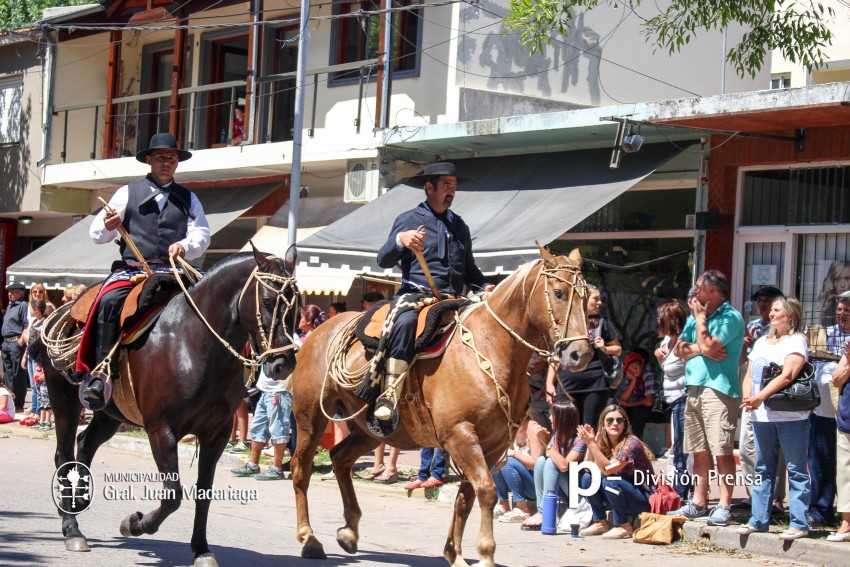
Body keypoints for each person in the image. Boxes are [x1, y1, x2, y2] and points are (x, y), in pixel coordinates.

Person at [82, 132, 210, 404]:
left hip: (173, 270)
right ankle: (100, 372)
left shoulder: (189, 199)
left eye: (172, 159)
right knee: (108, 300)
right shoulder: (127, 192)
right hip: (132, 270)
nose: (167, 163)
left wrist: (185, 246)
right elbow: (96, 234)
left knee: (210, 302)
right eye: (162, 158)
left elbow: (202, 233)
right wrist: (109, 225)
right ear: (149, 160)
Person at [371, 162, 492, 420]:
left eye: (454, 186)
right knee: (404, 322)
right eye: (446, 185)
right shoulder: (408, 219)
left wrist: (485, 286)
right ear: (429, 188)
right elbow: (382, 259)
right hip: (416, 296)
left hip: (454, 300)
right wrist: (399, 240)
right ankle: (390, 392)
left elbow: (470, 269)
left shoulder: (460, 226)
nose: (452, 191)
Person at [668, 270, 745, 526]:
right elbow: (679, 349)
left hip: (719, 391)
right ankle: (699, 502)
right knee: (699, 451)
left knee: (722, 451)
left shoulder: (730, 317)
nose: (694, 293)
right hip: (694, 389)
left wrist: (701, 321)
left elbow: (710, 345)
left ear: (713, 291)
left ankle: (724, 504)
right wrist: (704, 348)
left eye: (698, 288)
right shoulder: (695, 317)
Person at [738, 296, 811, 541]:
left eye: (777, 310)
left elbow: (788, 374)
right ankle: (758, 519)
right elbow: (750, 373)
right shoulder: (760, 343)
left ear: (790, 316)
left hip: (791, 416)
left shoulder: (797, 340)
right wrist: (749, 397)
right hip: (761, 416)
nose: (771, 313)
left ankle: (799, 523)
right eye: (771, 310)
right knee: (763, 468)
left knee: (796, 469)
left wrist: (760, 396)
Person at [736, 285, 787, 514]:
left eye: (767, 301)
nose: (763, 306)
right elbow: (742, 364)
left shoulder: (788, 329)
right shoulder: (754, 328)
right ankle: (753, 494)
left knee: (774, 450)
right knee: (747, 447)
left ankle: (775, 499)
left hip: (777, 396)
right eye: (759, 301)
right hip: (752, 393)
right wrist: (744, 346)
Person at [547, 283, 621, 426]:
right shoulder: (565, 323)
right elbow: (556, 355)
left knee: (589, 428)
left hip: (595, 384)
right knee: (566, 428)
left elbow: (617, 349)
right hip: (567, 384)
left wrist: (604, 348)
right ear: (584, 298)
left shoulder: (601, 323)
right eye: (596, 299)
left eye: (600, 299)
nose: (600, 303)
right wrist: (549, 383)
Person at [577, 404, 655, 539]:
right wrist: (592, 444)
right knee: (587, 478)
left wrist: (592, 444)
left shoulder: (631, 444)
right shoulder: (604, 445)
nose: (615, 424)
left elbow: (608, 471)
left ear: (625, 424)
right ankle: (601, 522)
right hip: (619, 494)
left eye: (620, 420)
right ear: (603, 425)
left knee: (610, 480)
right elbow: (587, 468)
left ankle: (624, 526)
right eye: (610, 420)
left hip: (642, 498)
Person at [806, 291, 849, 527]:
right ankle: (820, 512)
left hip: (846, 414)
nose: (842, 315)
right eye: (840, 310)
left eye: (848, 312)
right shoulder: (823, 335)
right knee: (820, 463)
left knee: (846, 467)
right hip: (822, 412)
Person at [522, 398, 584, 530]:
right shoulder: (556, 437)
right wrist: (543, 443)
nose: (550, 418)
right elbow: (544, 460)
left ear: (563, 419)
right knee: (541, 461)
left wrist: (547, 444)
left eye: (553, 415)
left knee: (551, 462)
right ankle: (541, 511)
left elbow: (564, 466)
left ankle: (545, 513)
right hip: (561, 489)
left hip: (577, 493)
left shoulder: (580, 440)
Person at [229, 367, 293, 480]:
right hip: (266, 390)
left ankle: (277, 468)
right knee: (257, 428)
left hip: (279, 390)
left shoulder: (288, 348)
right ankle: (253, 465)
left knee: (278, 429)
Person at [654, 299, 689, 500]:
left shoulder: (685, 343)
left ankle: (682, 494)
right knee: (676, 449)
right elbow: (668, 372)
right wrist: (659, 357)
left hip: (684, 399)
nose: (657, 322)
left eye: (661, 319)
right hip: (672, 399)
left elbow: (689, 371)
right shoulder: (667, 342)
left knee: (681, 449)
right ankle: (678, 491)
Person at [493, 416, 539, 523]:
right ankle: (503, 504)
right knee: (497, 461)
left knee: (507, 462)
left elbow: (536, 465)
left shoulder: (532, 428)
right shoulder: (512, 426)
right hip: (521, 482)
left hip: (535, 485)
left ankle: (522, 508)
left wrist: (514, 454)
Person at [828, 332, 850, 542]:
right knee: (845, 471)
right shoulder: (848, 351)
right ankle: (847, 523)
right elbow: (835, 380)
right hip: (847, 419)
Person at [615, 351, 657, 439]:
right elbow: (622, 400)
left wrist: (628, 404)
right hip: (638, 409)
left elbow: (649, 401)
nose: (635, 369)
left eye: (636, 365)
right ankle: (620, 438)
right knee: (620, 409)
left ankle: (637, 439)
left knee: (638, 410)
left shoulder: (648, 374)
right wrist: (633, 381)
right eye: (631, 367)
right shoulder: (631, 378)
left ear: (641, 365)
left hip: (655, 410)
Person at [2, 282, 29, 412]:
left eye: (12, 292)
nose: (9, 294)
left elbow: (26, 325)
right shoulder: (10, 306)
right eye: (9, 291)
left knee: (17, 374)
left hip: (16, 342)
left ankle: (18, 403)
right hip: (6, 343)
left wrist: (21, 343)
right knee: (8, 374)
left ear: (20, 293)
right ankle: (9, 401)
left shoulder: (23, 305)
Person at [21, 299, 47, 419]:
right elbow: (29, 344)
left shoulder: (44, 323)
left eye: (31, 308)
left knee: (38, 384)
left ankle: (37, 412)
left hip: (38, 357)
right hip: (31, 355)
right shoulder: (35, 322)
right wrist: (25, 356)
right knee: (33, 385)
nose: (29, 310)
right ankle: (34, 408)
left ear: (36, 310)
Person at [818, 260, 850, 327]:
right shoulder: (827, 304)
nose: (842, 284)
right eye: (838, 279)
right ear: (832, 281)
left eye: (847, 279)